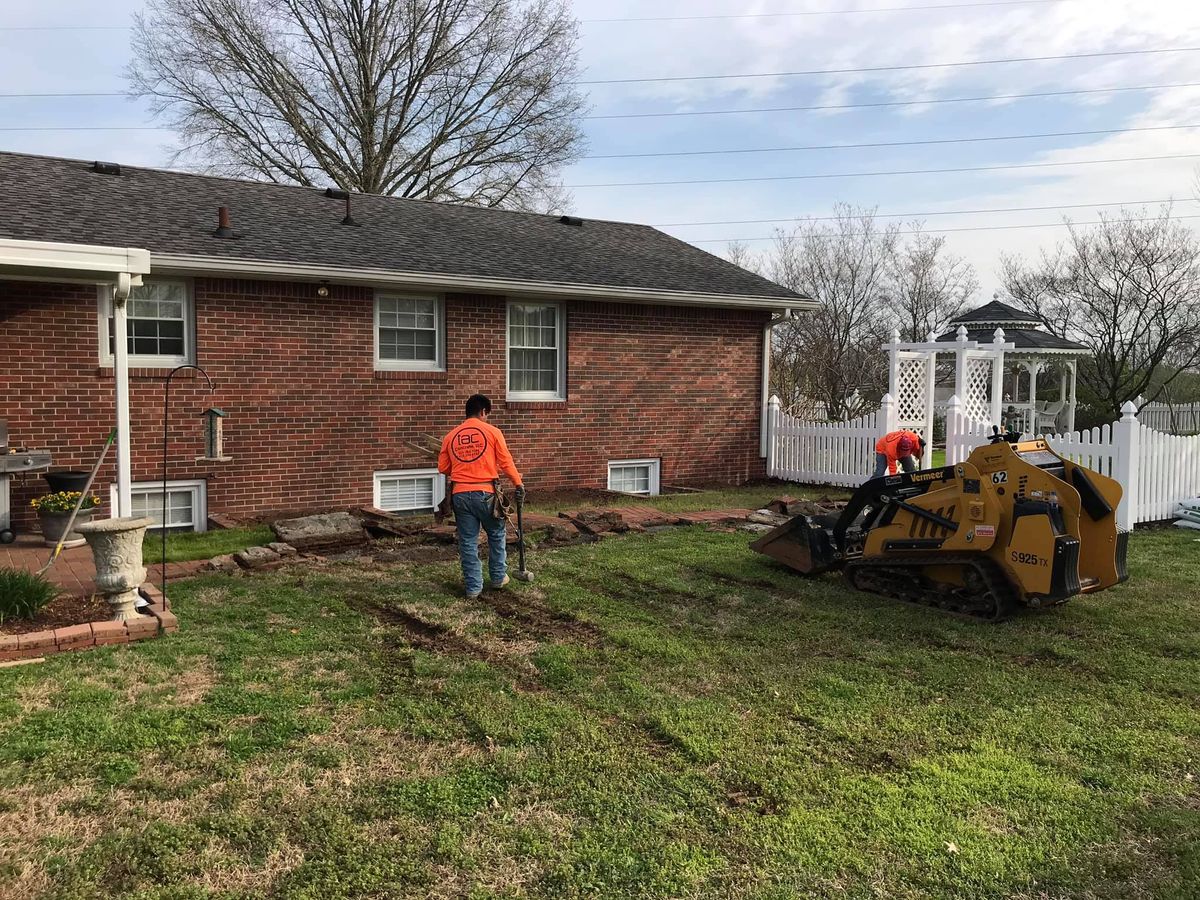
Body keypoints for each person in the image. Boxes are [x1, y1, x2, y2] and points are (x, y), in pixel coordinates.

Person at [438, 394, 524, 599]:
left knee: (468, 541)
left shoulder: (451, 436)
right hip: (486, 493)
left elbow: (443, 467)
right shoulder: (493, 432)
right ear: (483, 412)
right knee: (495, 534)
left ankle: (473, 588)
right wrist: (518, 483)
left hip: (459, 494)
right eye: (487, 415)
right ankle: (497, 578)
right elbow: (505, 462)